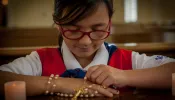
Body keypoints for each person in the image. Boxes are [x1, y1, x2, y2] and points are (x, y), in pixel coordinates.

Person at [0, 0, 175, 98]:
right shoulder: (40, 59)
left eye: (97, 29)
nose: (85, 41)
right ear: (59, 27)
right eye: (74, 30)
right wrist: (59, 83)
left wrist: (123, 75)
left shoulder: (127, 60)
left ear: (109, 24)